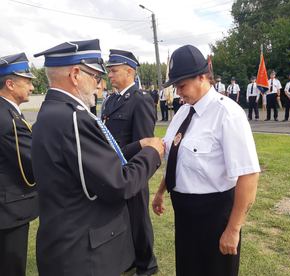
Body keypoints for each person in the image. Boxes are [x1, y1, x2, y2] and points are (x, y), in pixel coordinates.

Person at [32, 39, 164, 276]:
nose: (100, 83)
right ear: (75, 74)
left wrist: (137, 148)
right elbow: (117, 183)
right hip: (83, 251)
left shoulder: (53, 111)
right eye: (95, 76)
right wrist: (153, 152)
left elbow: (97, 159)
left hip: (68, 240)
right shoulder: (72, 118)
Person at [152, 45, 260, 276]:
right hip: (185, 213)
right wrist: (161, 191)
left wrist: (233, 229)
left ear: (203, 76)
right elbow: (175, 154)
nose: (178, 92)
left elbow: (249, 174)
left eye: (182, 85)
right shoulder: (183, 112)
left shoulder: (228, 114)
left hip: (214, 215)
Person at [102, 49, 158, 276]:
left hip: (132, 173)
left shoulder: (140, 100)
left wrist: (137, 174)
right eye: (109, 71)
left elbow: (145, 145)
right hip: (112, 171)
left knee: (138, 222)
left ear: (129, 71)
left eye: (114, 71)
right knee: (119, 222)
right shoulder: (110, 100)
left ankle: (146, 266)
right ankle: (128, 262)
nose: (110, 75)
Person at [0, 53, 39, 276]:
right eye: (27, 81)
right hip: (9, 209)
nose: (32, 87)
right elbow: (33, 162)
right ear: (10, 84)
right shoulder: (8, 119)